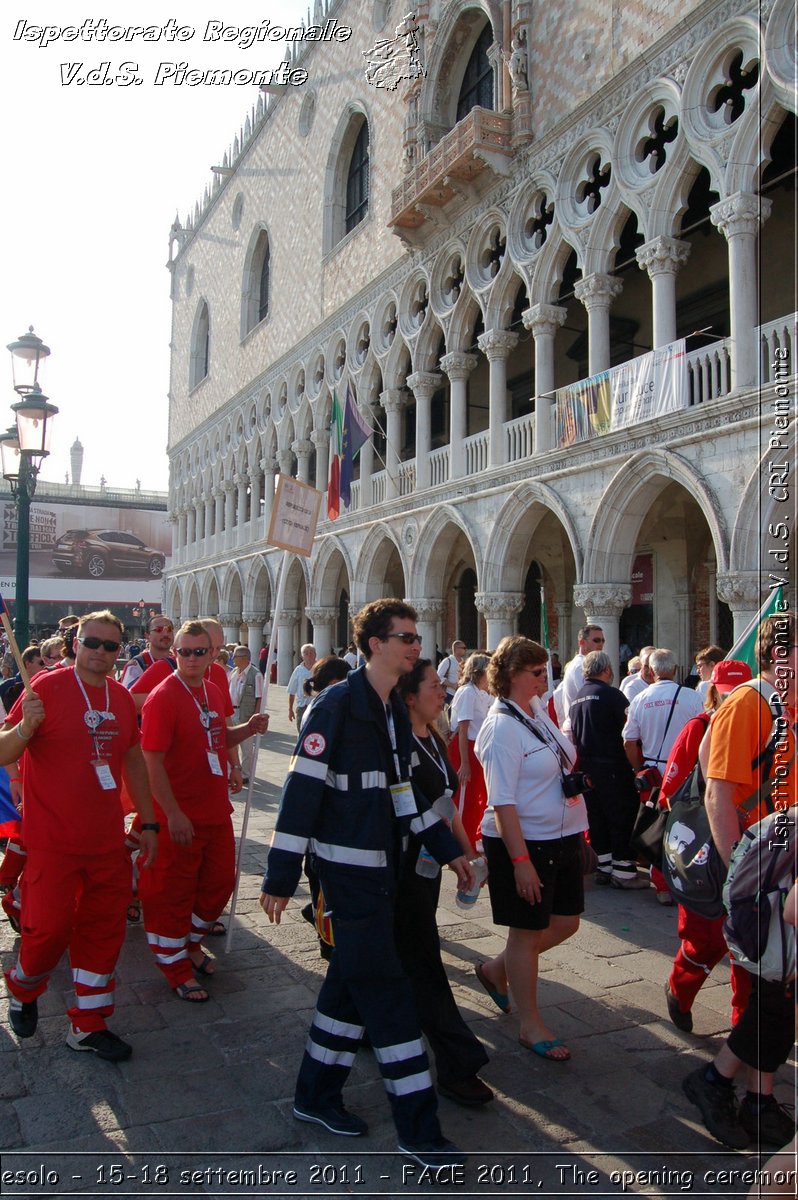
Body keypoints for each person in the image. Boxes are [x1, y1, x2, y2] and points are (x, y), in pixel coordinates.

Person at [260, 599, 472, 1169]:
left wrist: (447, 850)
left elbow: (404, 793)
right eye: (405, 637)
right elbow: (300, 795)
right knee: (388, 993)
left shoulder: (389, 710)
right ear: (374, 644)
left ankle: (314, 1094)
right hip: (349, 878)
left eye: (415, 637)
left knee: (348, 990)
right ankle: (420, 1132)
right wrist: (280, 876)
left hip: (386, 873)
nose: (414, 647)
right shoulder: (335, 707)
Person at [0, 610, 159, 1060]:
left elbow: (132, 760)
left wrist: (147, 822)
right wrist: (26, 726)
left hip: (106, 843)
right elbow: (3, 750)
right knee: (47, 930)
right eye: (93, 643)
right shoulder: (45, 688)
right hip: (52, 842)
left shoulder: (122, 698)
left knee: (103, 933)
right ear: (75, 643)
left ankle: (88, 1024)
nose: (101, 653)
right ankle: (23, 985)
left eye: (111, 646)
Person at [682, 613, 797, 1152]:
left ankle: (756, 1094)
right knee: (774, 990)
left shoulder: (786, 706)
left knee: (777, 988)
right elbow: (719, 795)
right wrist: (739, 881)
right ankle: (717, 1082)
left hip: (785, 864)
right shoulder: (748, 704)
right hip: (759, 868)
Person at [139, 620, 269, 1002]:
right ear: (174, 653)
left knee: (218, 885)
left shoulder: (212, 690)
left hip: (214, 810)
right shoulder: (163, 696)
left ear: (214, 654)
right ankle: (175, 966)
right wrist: (173, 813)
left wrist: (247, 728)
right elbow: (151, 760)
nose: (190, 659)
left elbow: (216, 737)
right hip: (179, 814)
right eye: (183, 652)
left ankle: (191, 943)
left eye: (199, 652)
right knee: (173, 893)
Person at [474, 636, 588, 1062]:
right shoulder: (502, 726)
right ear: (511, 676)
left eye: (545, 670)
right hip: (523, 842)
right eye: (537, 672)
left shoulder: (536, 710)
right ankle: (530, 1023)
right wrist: (520, 863)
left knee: (565, 922)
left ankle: (494, 970)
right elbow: (501, 800)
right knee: (525, 932)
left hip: (560, 835)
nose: (546, 678)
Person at [396, 658, 492, 1107]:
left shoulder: (433, 738)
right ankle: (457, 1059)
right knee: (423, 961)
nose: (444, 691)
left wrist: (463, 851)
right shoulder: (397, 745)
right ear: (409, 697)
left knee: (392, 959)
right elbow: (415, 810)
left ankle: (359, 1024)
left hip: (429, 866)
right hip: (402, 867)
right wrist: (453, 855)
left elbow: (445, 803)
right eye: (435, 686)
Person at [661, 660, 753, 1033]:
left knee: (750, 955)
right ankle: (679, 989)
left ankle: (745, 1039)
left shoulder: (772, 727)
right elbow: (673, 795)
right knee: (704, 944)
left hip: (757, 854)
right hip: (708, 857)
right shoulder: (698, 728)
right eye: (725, 691)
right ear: (713, 691)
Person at [570, 650, 646, 889]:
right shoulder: (613, 696)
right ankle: (623, 870)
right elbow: (630, 731)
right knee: (620, 815)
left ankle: (604, 866)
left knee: (598, 816)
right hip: (613, 765)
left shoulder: (578, 697)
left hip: (588, 767)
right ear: (606, 670)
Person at [447, 652, 492, 851]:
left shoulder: (480, 693)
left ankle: (471, 841)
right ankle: (461, 844)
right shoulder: (467, 692)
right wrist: (465, 763)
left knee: (476, 798)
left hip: (476, 749)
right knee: (465, 799)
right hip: (465, 749)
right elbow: (463, 729)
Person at [558, 625, 605, 738]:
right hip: (579, 730)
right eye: (596, 640)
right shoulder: (581, 665)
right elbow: (588, 698)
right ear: (582, 642)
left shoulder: (584, 663)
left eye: (603, 640)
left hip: (582, 727)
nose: (601, 644)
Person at [228, 645, 263, 783]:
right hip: (232, 712)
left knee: (247, 746)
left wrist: (256, 715)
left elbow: (260, 697)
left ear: (243, 658)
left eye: (235, 656)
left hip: (246, 713)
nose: (232, 659)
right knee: (232, 743)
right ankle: (233, 770)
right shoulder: (234, 672)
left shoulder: (256, 674)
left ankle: (246, 774)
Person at [120, 615, 175, 689]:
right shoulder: (137, 664)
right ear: (147, 636)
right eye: (159, 629)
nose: (165, 634)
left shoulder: (179, 662)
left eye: (169, 629)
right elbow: (128, 697)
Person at [287, 644, 316, 725]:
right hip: (302, 706)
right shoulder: (298, 670)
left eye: (311, 653)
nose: (309, 655)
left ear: (315, 654)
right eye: (306, 653)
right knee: (302, 733)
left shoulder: (320, 668)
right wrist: (290, 709)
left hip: (316, 705)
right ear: (302, 656)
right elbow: (292, 691)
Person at [437, 640, 466, 705]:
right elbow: (438, 677)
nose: (465, 650)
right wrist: (452, 685)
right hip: (448, 694)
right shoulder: (447, 661)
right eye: (463, 648)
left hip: (460, 694)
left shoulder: (464, 662)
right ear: (456, 649)